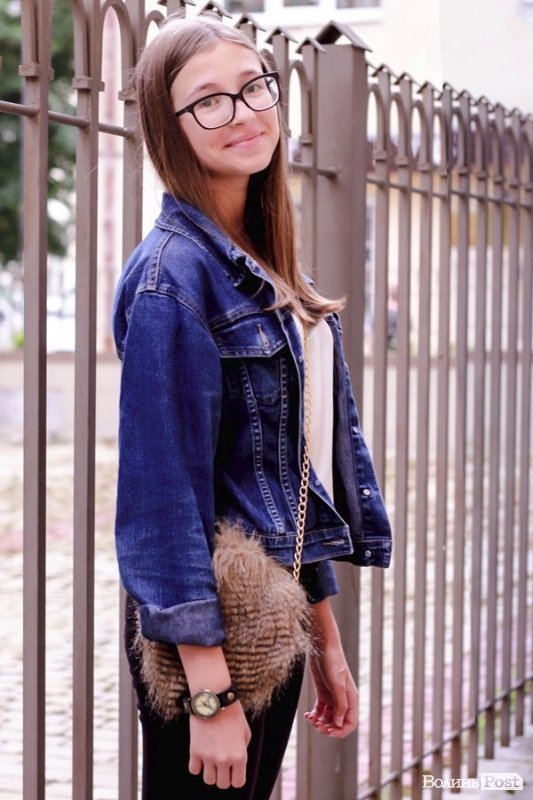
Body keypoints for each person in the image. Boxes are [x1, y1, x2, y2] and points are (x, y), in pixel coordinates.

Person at [112, 13, 392, 799]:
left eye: (253, 87)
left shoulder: (258, 265)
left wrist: (322, 638)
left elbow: (282, 481)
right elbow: (160, 502)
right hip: (207, 643)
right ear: (168, 127)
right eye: (208, 101)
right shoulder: (172, 279)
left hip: (270, 621)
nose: (241, 113)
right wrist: (207, 696)